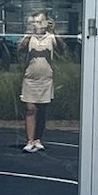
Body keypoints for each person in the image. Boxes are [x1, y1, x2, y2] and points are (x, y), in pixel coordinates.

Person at [18, 12, 62, 152]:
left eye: (40, 21)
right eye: (34, 22)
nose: (37, 25)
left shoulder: (51, 37)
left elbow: (62, 49)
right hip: (30, 79)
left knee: (42, 110)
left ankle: (38, 139)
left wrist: (54, 31)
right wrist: (29, 34)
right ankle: (30, 140)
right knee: (30, 109)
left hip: (46, 79)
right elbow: (20, 49)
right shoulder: (29, 37)